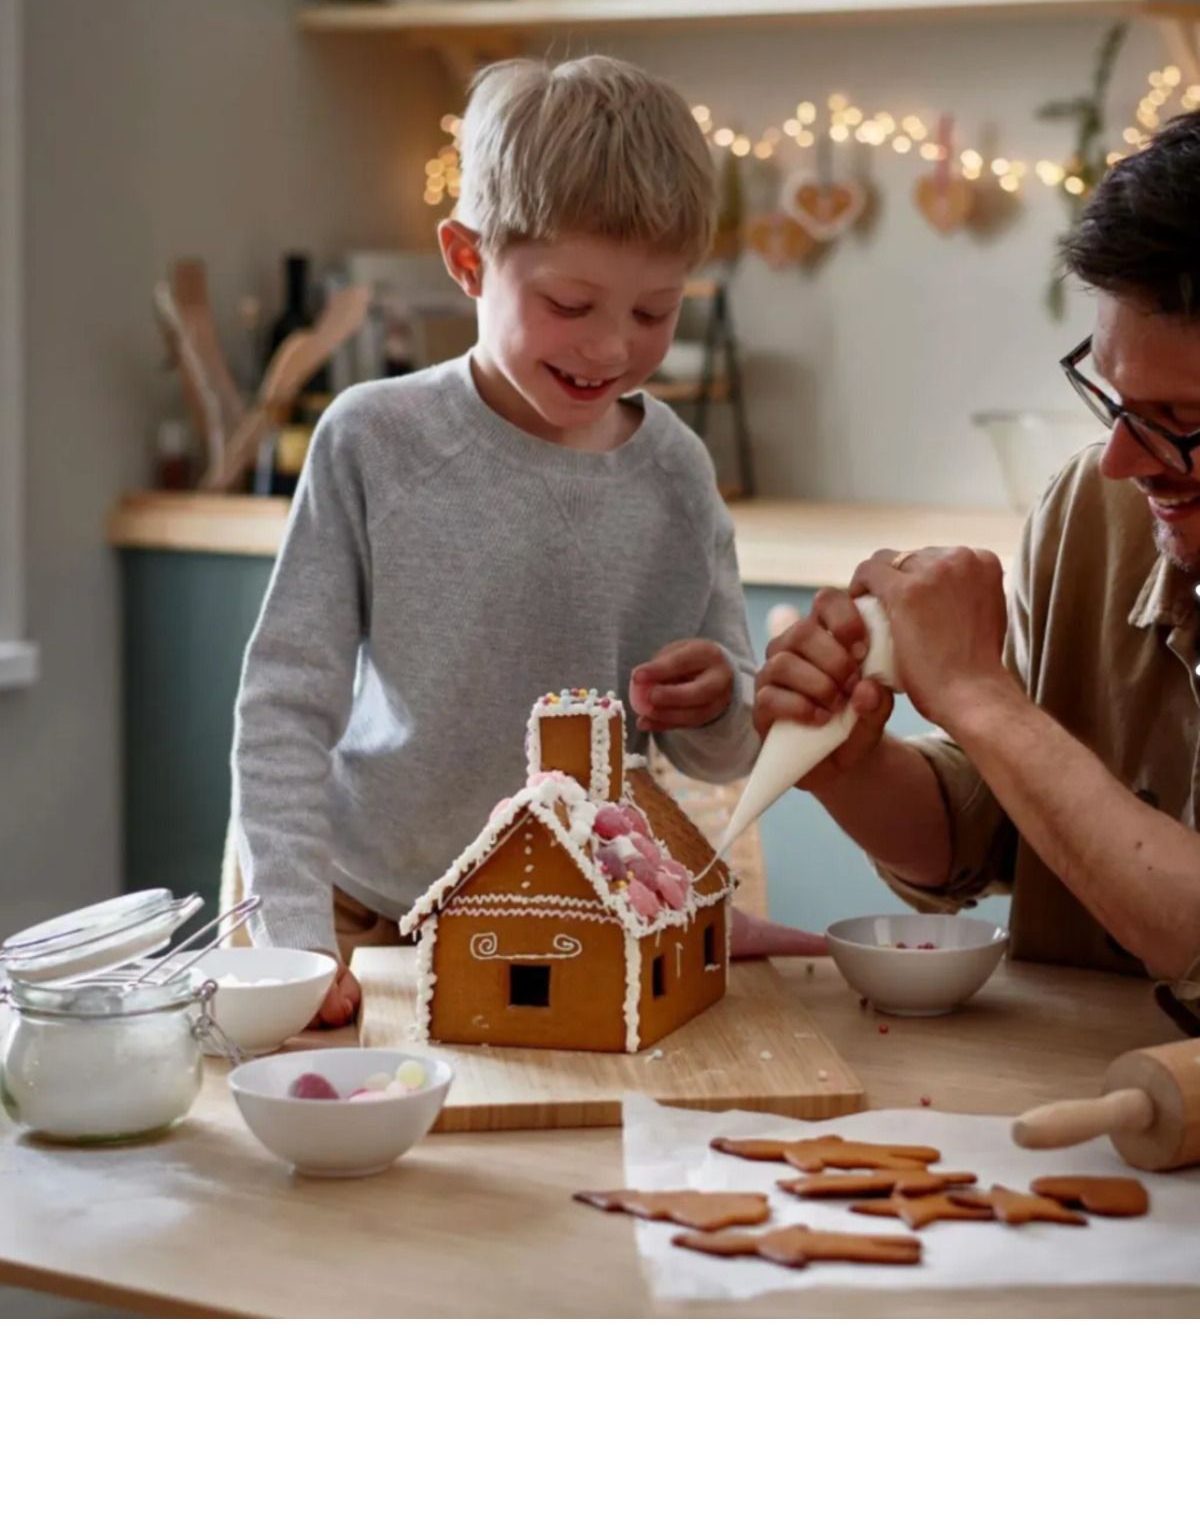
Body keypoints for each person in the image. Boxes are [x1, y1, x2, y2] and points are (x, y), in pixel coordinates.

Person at [233, 53, 813, 1027]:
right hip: (363, 920)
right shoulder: (373, 439)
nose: (612, 348)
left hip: (576, 920)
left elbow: (727, 752)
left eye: (655, 311)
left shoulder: (675, 474)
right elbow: (284, 705)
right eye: (570, 305)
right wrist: (295, 940)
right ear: (468, 262)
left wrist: (717, 696)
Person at [755, 110, 1200, 1020]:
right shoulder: (1097, 510)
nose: (1121, 458)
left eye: (1179, 420)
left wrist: (976, 691)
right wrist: (851, 763)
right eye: (1110, 396)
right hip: (1072, 1102)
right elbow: (1000, 833)